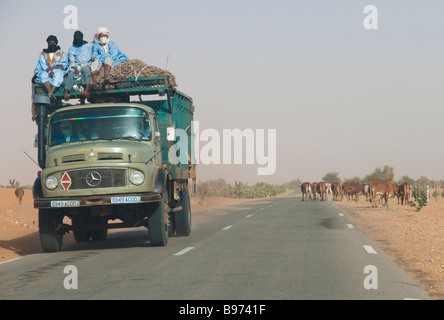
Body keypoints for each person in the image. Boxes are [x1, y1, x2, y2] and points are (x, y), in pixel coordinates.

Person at [64, 31, 93, 100]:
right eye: (77, 37)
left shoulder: (88, 46)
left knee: (85, 69)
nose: (78, 39)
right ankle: (66, 93)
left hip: (86, 64)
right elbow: (71, 60)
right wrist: (74, 67)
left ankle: (87, 89)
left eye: (80, 37)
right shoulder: (72, 48)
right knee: (70, 73)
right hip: (76, 66)